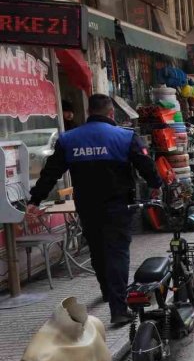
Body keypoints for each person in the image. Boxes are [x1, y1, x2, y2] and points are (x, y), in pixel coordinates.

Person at [27, 94, 162, 325]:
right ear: (111, 113)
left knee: (98, 251)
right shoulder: (125, 136)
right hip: (119, 206)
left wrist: (35, 201)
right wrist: (156, 185)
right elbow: (145, 165)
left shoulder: (69, 139)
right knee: (117, 254)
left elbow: (50, 173)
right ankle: (118, 309)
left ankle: (108, 292)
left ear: (89, 112)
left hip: (88, 207)